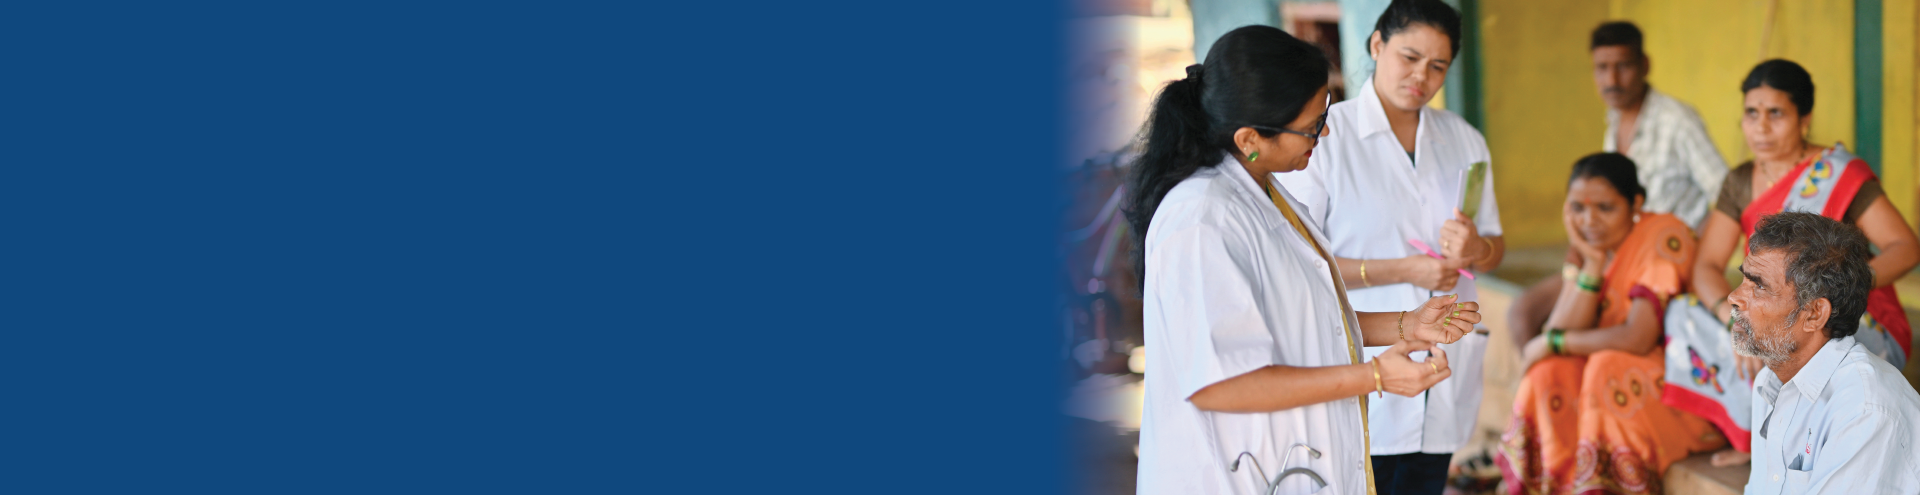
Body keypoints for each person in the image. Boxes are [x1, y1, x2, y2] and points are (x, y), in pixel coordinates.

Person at [1126, 25, 1482, 495]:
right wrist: (1375, 376)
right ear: (1250, 137)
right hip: (1233, 476)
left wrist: (1407, 324)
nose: (1325, 131)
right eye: (1313, 125)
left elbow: (1306, 322)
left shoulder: (1266, 194)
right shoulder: (1203, 220)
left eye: (1326, 111)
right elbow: (1221, 383)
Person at [1274, 1, 1500, 493]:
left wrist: (1476, 248)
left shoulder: (1464, 140)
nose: (1421, 76)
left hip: (1442, 371)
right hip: (1362, 366)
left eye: (1438, 65)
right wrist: (1404, 270)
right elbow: (1298, 265)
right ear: (1377, 45)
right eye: (1409, 57)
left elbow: (1495, 247)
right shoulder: (1324, 138)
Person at [1688, 59, 1920, 466]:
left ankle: (1787, 437)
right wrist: (1732, 318)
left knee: (1798, 324)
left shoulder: (1839, 173)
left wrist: (1840, 286)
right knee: (1684, 312)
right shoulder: (1740, 181)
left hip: (1838, 313)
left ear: (1804, 118)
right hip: (1772, 307)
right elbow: (1706, 264)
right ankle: (1749, 429)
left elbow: (1906, 247)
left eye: (1775, 113)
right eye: (1752, 113)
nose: (1761, 127)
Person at [1495, 152, 1726, 494]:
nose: (1590, 220)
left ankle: (1608, 484)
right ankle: (1557, 485)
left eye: (1605, 208)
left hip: (1680, 381)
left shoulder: (1662, 235)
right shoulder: (1589, 246)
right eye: (1578, 208)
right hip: (1610, 375)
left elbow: (1638, 337)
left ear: (1636, 203)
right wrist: (1591, 264)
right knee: (1549, 372)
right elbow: (1560, 328)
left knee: (1605, 365)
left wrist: (1552, 342)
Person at [1508, 21, 1729, 354]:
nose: (1612, 79)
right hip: (1613, 256)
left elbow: (1726, 195)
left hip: (1659, 266)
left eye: (1623, 66)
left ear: (1644, 66)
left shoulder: (1677, 120)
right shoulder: (1613, 119)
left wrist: (1694, 253)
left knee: (1576, 338)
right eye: (1602, 68)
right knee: (1523, 314)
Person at [1729, 212, 1920, 494]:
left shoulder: (1864, 410)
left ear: (1815, 314)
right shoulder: (1769, 383)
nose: (1734, 297)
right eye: (1744, 279)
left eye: (1759, 286)